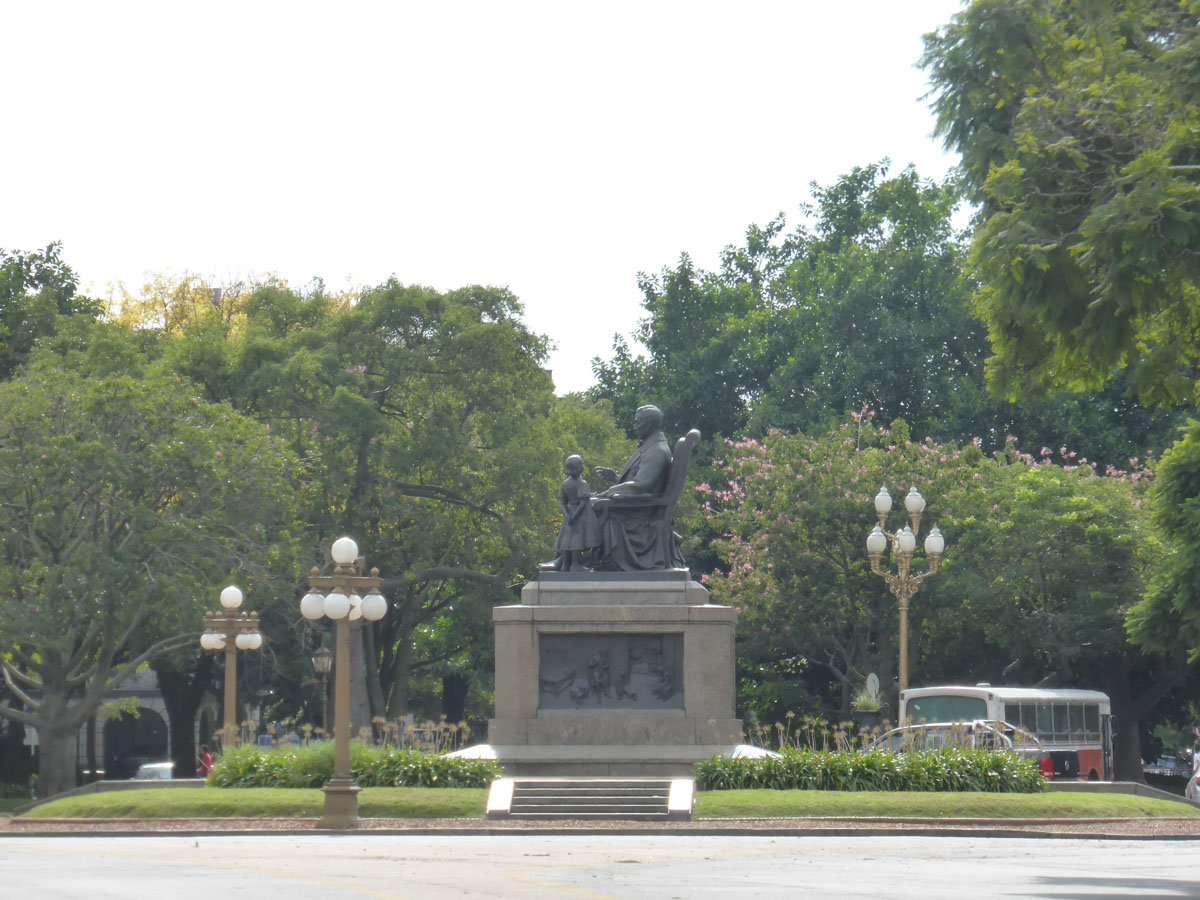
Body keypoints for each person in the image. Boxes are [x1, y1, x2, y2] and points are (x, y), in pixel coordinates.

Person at [590, 404, 687, 571]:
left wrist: (605, 494)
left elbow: (641, 485)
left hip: (637, 511)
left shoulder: (657, 450)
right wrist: (616, 479)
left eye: (637, 422)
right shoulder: (649, 446)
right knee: (585, 502)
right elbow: (641, 480)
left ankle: (569, 561)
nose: (634, 426)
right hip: (634, 505)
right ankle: (567, 560)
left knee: (586, 505)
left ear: (648, 424)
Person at [549, 454, 601, 571]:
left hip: (570, 512)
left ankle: (565, 565)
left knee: (567, 539)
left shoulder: (565, 484)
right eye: (581, 464)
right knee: (577, 540)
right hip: (581, 515)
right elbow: (583, 502)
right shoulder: (582, 483)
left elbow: (562, 502)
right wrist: (575, 516)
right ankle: (575, 565)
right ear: (578, 468)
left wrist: (567, 515)